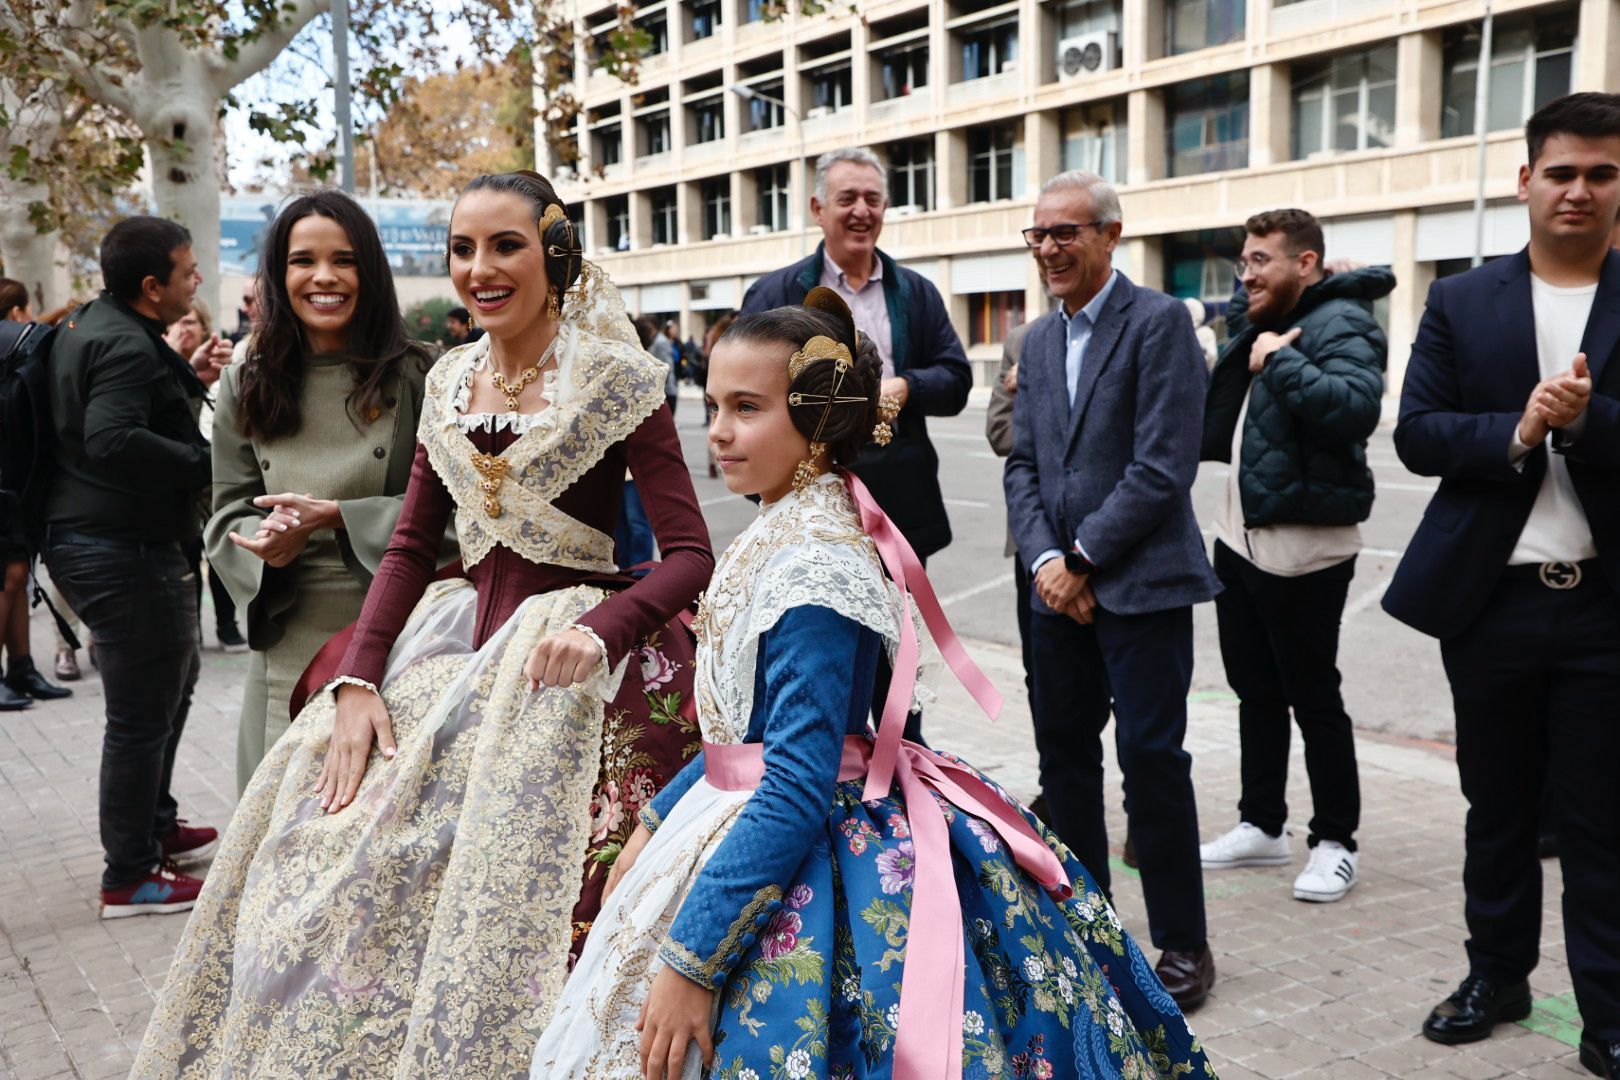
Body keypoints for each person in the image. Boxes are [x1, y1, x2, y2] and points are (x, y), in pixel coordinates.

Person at [532, 289, 1213, 1080]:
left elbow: (792, 781)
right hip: (736, 810)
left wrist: (692, 964)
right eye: (713, 403)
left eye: (747, 407)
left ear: (818, 421)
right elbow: (739, 734)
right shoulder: (788, 522)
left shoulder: (813, 565)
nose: (717, 430)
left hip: (800, 840)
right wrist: (656, 818)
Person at [132, 170, 715, 1077]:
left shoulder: (620, 378)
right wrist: (360, 679)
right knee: (319, 847)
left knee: (503, 888)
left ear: (554, 253)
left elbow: (690, 554)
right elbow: (408, 549)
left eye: (506, 246)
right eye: (462, 249)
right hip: (450, 644)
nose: (480, 269)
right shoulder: (447, 380)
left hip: (568, 664)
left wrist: (606, 628)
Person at [1381, 93, 1620, 1077]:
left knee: (1604, 821)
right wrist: (1520, 430)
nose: (1578, 189)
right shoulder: (1462, 301)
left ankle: (1606, 1011)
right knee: (1498, 810)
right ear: (1525, 181)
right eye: (1561, 171)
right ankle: (1497, 976)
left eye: (1601, 173)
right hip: (1494, 602)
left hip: (1606, 606)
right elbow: (1418, 432)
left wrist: (1587, 419)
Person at [1003, 170, 1221, 1011]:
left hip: (1143, 589)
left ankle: (1183, 944)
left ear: (1110, 234)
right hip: (1055, 591)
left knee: (1152, 765)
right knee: (1065, 762)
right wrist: (1046, 564)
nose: (1051, 248)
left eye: (1067, 232)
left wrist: (1082, 559)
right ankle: (1087, 928)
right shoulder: (1035, 339)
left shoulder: (1161, 323)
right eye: (1039, 235)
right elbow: (1023, 464)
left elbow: (1164, 464)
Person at [205, 190, 456, 792]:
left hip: (400, 637)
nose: (324, 277)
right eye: (302, 261)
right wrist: (264, 543)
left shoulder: (422, 374)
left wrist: (339, 516)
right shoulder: (245, 381)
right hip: (286, 638)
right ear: (277, 273)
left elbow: (462, 513)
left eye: (344, 260)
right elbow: (224, 511)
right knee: (276, 835)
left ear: (369, 270)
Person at [740, 146, 972, 745]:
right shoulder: (778, 292)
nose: (861, 211)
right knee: (813, 647)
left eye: (873, 198)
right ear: (818, 208)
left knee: (898, 662)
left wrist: (905, 384)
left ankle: (903, 788)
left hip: (900, 504)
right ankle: (812, 768)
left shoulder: (914, 291)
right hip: (807, 504)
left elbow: (957, 378)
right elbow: (744, 389)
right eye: (848, 199)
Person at [1197, 209, 1392, 905]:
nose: (1246, 273)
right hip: (1241, 536)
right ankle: (1262, 824)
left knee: (1314, 697)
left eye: (1260, 260)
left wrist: (1278, 358)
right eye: (1244, 260)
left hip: (1306, 546)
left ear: (1304, 262)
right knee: (1256, 691)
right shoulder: (1266, 315)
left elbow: (1354, 409)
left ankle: (1335, 841)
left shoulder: (1344, 324)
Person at [40, 217, 219, 916]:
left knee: (171, 689)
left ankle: (153, 826)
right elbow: (111, 436)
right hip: (120, 550)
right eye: (187, 269)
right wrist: (210, 463)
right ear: (152, 287)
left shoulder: (93, 321)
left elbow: (114, 408)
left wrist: (187, 377)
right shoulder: (123, 342)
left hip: (101, 541)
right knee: (142, 716)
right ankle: (131, 873)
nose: (196, 277)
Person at [1, 278, 73, 710]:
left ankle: (21, 667)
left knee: (18, 574)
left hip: (14, 483)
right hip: (8, 484)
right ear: (15, 313)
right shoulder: (18, 346)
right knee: (10, 574)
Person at [163, 298, 249, 655]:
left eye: (192, 322)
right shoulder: (163, 370)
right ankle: (190, 628)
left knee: (220, 549)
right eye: (179, 322)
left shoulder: (220, 369)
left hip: (215, 474)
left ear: (204, 328)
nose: (185, 328)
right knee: (185, 552)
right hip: (176, 476)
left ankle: (227, 626)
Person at [649, 315, 680, 415]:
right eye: (673, 328)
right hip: (666, 383)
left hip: (667, 382)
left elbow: (669, 363)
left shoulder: (662, 341)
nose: (675, 331)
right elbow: (668, 364)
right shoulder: (661, 341)